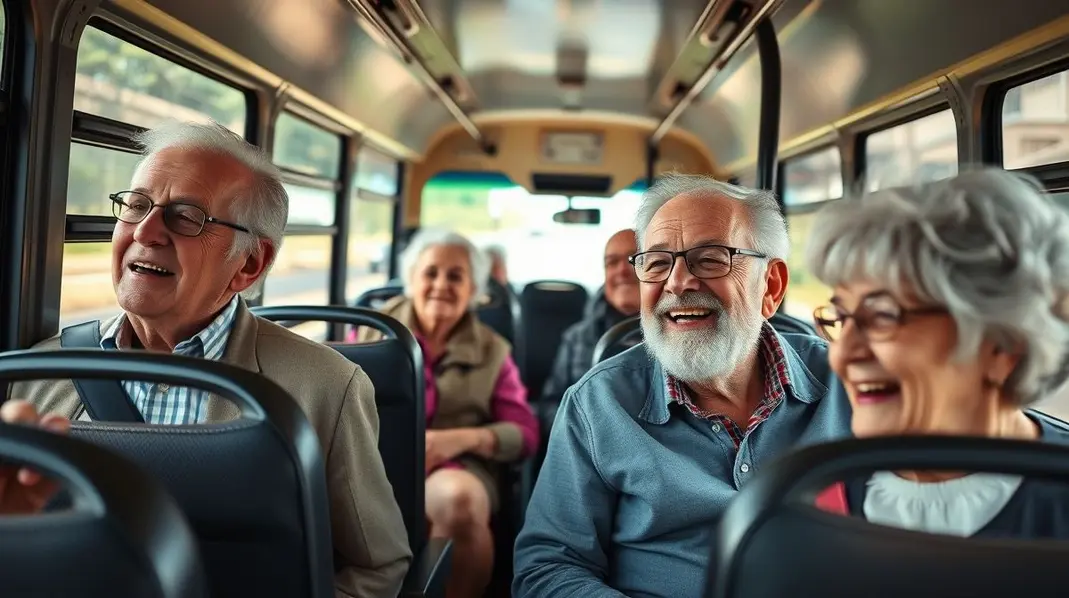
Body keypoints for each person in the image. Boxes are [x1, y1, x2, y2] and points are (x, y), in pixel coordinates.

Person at [3, 120, 411, 597]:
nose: (147, 231)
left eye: (187, 217)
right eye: (136, 205)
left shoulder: (326, 389)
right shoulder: (35, 376)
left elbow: (377, 568)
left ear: (249, 265)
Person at [512, 173, 851, 598]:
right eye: (656, 263)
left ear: (772, 285)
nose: (677, 282)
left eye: (710, 259)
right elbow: (547, 568)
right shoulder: (598, 404)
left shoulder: (849, 381)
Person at [806, 168, 1069, 537]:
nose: (842, 355)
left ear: (1002, 346)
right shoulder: (814, 502)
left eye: (882, 316)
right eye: (841, 317)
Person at [355, 228, 539, 598]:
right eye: (431, 272)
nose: (441, 284)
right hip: (376, 461)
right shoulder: (372, 332)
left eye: (456, 276)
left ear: (474, 290)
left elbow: (525, 434)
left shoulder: (492, 350)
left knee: (459, 501)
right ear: (411, 280)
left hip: (457, 468)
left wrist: (455, 440)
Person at [540, 229, 641, 404]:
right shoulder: (576, 337)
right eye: (612, 262)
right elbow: (552, 404)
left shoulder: (679, 332)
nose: (622, 270)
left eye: (634, 259)